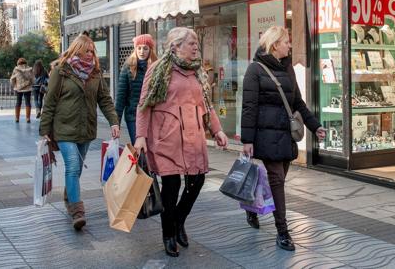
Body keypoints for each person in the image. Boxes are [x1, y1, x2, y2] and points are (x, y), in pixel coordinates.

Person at [135, 27, 228, 257]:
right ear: (175, 46)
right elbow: (144, 105)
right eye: (191, 43)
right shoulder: (159, 69)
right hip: (167, 138)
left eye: (197, 43)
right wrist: (140, 136)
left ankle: (178, 221)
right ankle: (168, 234)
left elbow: (206, 105)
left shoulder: (198, 72)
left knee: (197, 180)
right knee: (171, 188)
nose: (196, 47)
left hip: (194, 136)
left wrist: (217, 130)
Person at [240, 26, 326, 251]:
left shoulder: (288, 70)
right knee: (277, 179)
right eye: (286, 42)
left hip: (286, 136)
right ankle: (283, 231)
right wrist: (247, 140)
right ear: (275, 44)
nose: (290, 45)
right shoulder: (255, 70)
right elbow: (249, 107)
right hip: (265, 136)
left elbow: (298, 102)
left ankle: (252, 206)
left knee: (277, 179)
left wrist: (314, 126)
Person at [39, 34, 120, 230]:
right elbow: (49, 102)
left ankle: (69, 197)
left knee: (75, 171)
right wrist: (44, 130)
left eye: (93, 51)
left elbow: (105, 100)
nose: (91, 54)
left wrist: (114, 122)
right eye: (87, 51)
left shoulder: (95, 73)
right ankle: (77, 212)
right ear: (77, 50)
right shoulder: (61, 71)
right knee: (73, 167)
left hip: (86, 129)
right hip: (64, 128)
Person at [115, 34, 158, 144]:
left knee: (152, 152)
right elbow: (121, 98)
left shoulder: (157, 68)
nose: (142, 51)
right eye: (139, 48)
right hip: (133, 117)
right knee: (140, 151)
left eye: (145, 48)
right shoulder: (128, 67)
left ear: (150, 50)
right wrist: (116, 123)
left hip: (153, 116)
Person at [10, 58, 34, 123]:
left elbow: (12, 79)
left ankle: (17, 118)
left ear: (18, 63)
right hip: (28, 88)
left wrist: (14, 85)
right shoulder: (30, 69)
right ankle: (28, 118)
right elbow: (32, 79)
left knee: (18, 102)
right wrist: (31, 84)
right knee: (28, 103)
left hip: (18, 88)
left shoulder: (16, 69)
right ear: (25, 62)